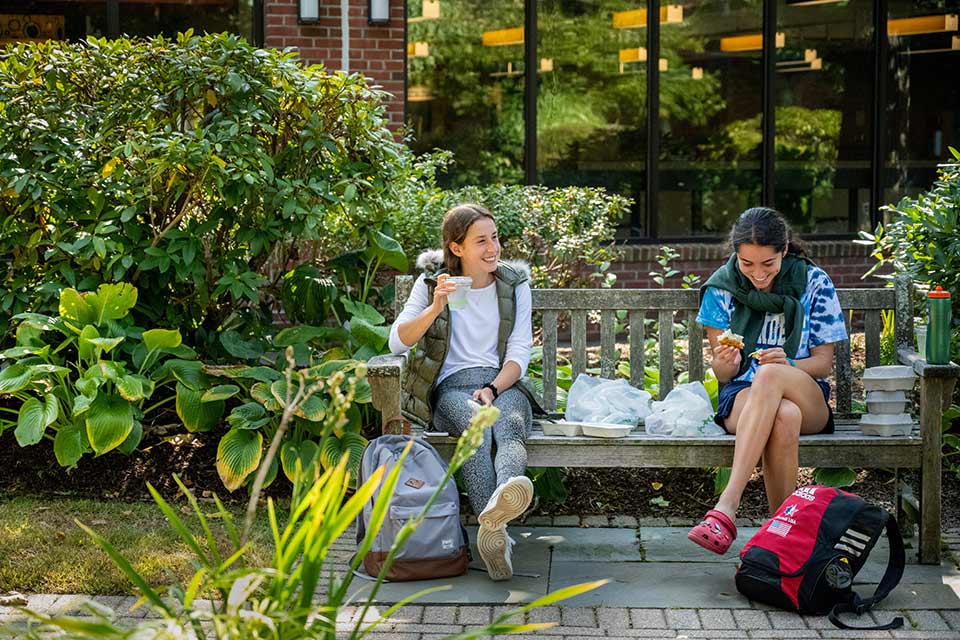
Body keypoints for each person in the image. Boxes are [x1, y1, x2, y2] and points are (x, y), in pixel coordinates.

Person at [388, 203, 538, 581]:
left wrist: (492, 388)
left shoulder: (514, 285)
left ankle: (494, 526)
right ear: (456, 249)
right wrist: (436, 305)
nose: (494, 248)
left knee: (510, 426)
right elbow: (396, 343)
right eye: (481, 241)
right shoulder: (431, 286)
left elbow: (519, 352)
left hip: (503, 382)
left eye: (496, 237)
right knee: (477, 427)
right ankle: (497, 529)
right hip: (452, 389)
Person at [688, 207, 848, 555]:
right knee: (783, 415)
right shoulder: (721, 287)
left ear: (784, 250)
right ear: (736, 255)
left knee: (772, 374)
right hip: (743, 396)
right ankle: (784, 541)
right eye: (747, 264)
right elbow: (724, 375)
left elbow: (822, 364)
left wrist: (788, 362)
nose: (758, 275)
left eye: (768, 264)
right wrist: (723, 362)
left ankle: (727, 506)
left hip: (808, 396)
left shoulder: (814, 283)